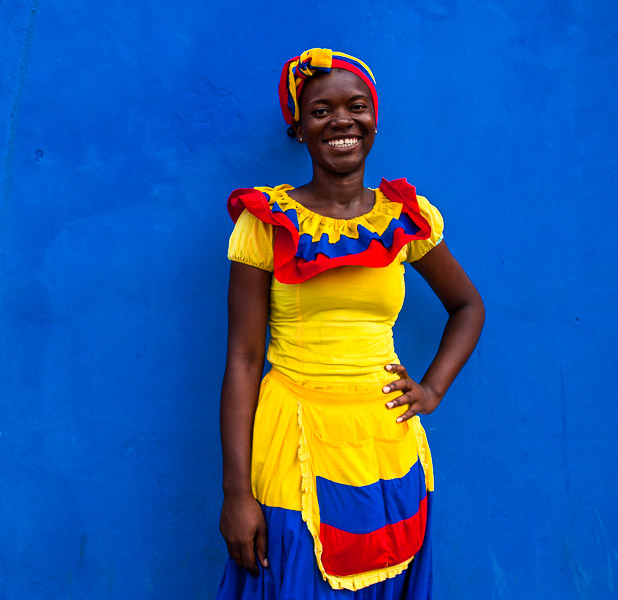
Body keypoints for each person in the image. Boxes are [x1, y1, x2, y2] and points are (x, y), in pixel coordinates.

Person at [216, 49, 485, 599]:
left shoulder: (405, 218)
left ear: (374, 119)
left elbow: (468, 307)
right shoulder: (265, 223)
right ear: (298, 129)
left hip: (387, 445)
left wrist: (432, 388)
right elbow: (243, 359)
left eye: (356, 106)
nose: (342, 121)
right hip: (294, 438)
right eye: (321, 111)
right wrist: (236, 493)